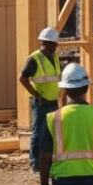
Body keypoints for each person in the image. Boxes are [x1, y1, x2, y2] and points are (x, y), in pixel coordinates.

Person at [18, 26, 62, 171]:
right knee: (38, 133)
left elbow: (56, 78)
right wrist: (36, 95)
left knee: (52, 133)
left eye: (54, 44)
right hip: (41, 102)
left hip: (53, 100)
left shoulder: (54, 57)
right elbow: (22, 78)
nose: (53, 47)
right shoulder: (34, 59)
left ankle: (49, 162)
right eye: (52, 44)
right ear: (46, 43)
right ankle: (35, 164)